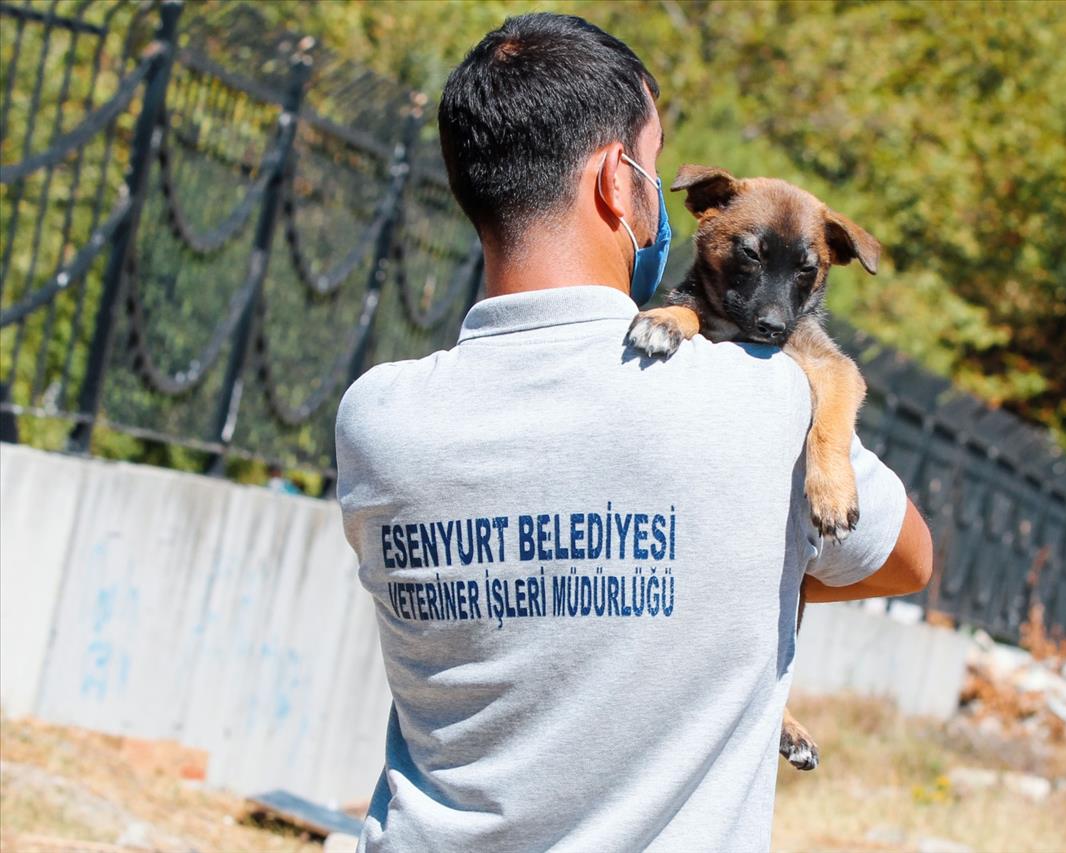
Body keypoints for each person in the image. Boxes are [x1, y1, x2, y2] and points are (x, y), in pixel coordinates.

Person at [334, 13, 932, 852]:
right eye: (654, 166)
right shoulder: (761, 400)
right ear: (617, 183)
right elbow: (907, 559)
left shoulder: (374, 419)